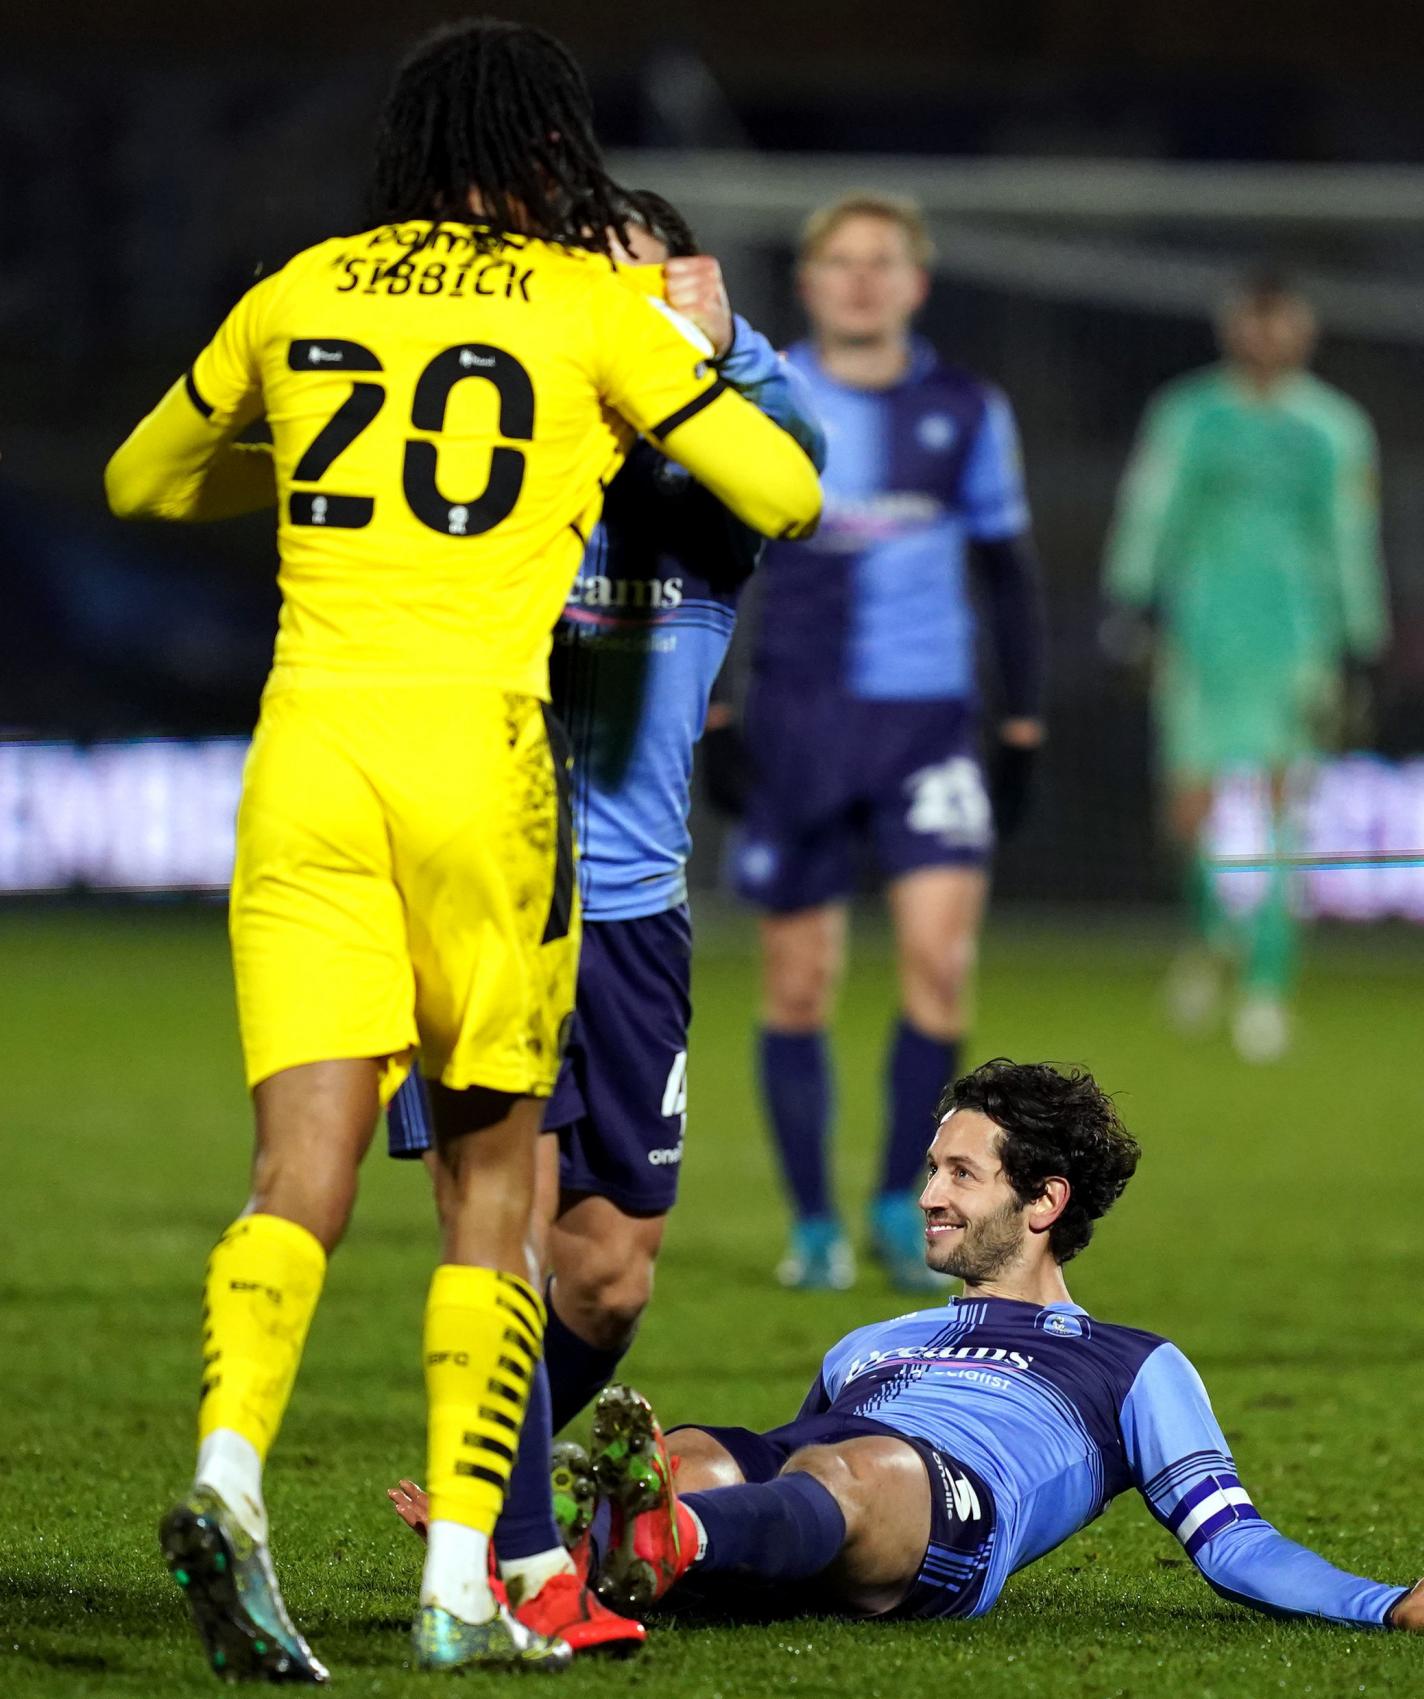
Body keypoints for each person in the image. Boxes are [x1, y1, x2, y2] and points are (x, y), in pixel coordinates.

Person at [104, 20, 822, 1676]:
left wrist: (328, 475)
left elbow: (147, 477)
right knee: (500, 1195)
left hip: (305, 762)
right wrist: (687, 365)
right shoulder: (581, 312)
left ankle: (231, 1473)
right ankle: (464, 1582)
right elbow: (779, 486)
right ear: (544, 152)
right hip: (483, 782)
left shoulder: (306, 286)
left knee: (304, 1173)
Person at [381, 188, 826, 1656]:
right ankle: (516, 1558)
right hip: (491, 901)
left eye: (635, 280)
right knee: (503, 1224)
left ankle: (482, 1472)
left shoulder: (710, 500)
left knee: (612, 1269)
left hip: (637, 923)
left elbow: (808, 460)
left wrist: (737, 343)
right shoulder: (503, 471)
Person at [552, 1060, 1424, 1631]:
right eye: (932, 1168)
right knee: (705, 1453)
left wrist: (1386, 1602)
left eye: (961, 1175)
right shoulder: (869, 1341)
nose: (929, 1194)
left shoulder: (1133, 1363)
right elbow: (788, 1497)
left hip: (946, 1509)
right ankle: (540, 1546)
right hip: (834, 1483)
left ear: (1043, 1202)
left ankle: (646, 1536)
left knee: (853, 1468)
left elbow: (1235, 1542)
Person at [723, 192, 1046, 1294]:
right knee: (801, 981)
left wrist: (1023, 720)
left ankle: (897, 1208)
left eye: (883, 262)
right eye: (840, 262)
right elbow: (721, 558)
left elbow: (1007, 570)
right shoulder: (766, 399)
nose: (862, 280)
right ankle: (813, 1221)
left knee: (940, 973)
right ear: (808, 282)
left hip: (927, 727)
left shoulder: (965, 407)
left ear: (917, 281)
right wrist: (718, 710)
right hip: (798, 720)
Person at [1102, 271, 1389, 1064]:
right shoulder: (1188, 415)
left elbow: (1351, 533)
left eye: (1281, 322)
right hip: (1201, 634)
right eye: (1254, 322)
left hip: (1297, 638)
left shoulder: (1333, 427)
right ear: (1233, 328)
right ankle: (1214, 934)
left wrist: (1363, 638)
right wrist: (1132, 599)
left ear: (1303, 331)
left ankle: (1267, 985)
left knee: (1280, 807)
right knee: (1188, 811)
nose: (1267, 337)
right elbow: (1150, 508)